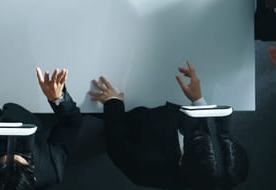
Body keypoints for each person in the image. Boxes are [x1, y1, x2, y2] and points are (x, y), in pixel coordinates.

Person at [89, 61, 248, 189]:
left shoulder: (143, 167)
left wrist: (113, 104)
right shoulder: (215, 154)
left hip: (131, 125)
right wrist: (198, 99)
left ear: (185, 160)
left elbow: (116, 144)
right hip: (159, 111)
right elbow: (210, 126)